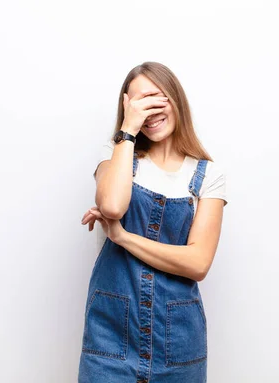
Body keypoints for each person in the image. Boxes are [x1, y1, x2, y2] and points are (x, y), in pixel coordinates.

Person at [78, 61, 227, 383]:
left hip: (178, 340)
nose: (149, 111)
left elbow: (198, 263)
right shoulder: (116, 154)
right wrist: (127, 131)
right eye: (138, 103)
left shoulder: (208, 175)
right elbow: (113, 205)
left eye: (156, 98)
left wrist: (122, 238)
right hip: (110, 337)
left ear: (176, 100)